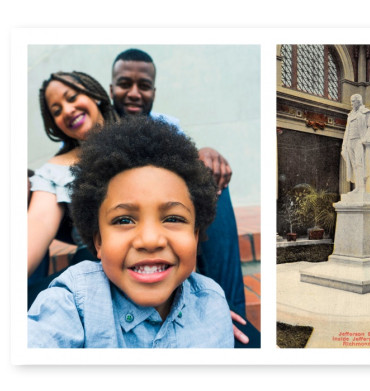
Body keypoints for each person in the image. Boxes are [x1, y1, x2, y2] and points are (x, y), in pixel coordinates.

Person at [28, 116, 234, 348]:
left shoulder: (212, 304)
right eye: (124, 219)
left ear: (195, 236)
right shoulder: (74, 301)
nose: (149, 240)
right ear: (98, 241)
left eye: (173, 218)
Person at [110, 49, 256, 345]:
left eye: (144, 85)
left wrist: (206, 154)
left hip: (169, 218)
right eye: (125, 84)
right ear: (112, 88)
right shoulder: (100, 127)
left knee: (211, 179)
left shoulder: (167, 127)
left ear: (154, 90)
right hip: (127, 224)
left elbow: (188, 163)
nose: (135, 93)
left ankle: (230, 311)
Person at [28, 71, 118, 281]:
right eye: (57, 111)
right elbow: (37, 224)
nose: (67, 110)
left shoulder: (143, 137)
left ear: (93, 94)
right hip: (92, 274)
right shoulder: (54, 171)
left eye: (72, 97)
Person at [341, 93, 370, 193]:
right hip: (349, 142)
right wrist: (344, 144)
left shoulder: (366, 112)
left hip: (359, 141)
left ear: (358, 101)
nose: (351, 104)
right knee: (353, 164)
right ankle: (357, 187)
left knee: (360, 164)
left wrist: (365, 139)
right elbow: (347, 130)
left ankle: (362, 188)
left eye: (352, 101)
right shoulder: (350, 115)